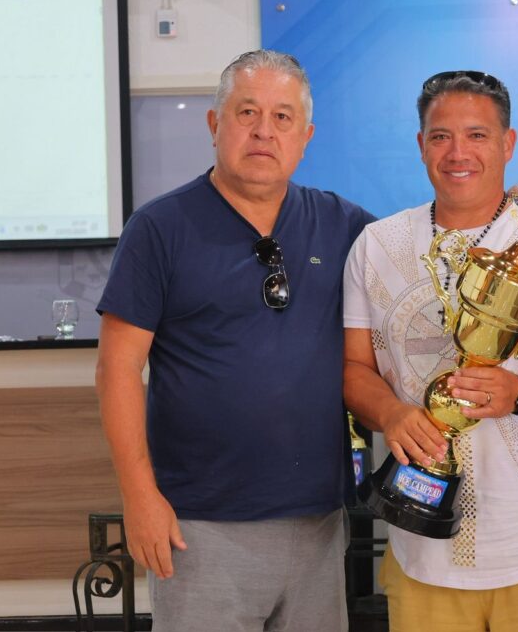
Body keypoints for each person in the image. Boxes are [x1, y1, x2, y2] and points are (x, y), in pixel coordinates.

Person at [95, 50, 375, 632]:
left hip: (318, 523)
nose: (264, 131)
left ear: (306, 137)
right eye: (247, 112)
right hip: (199, 525)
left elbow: (427, 251)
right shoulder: (159, 229)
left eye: (282, 117)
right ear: (214, 123)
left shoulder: (344, 226)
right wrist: (139, 496)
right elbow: (117, 370)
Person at [342, 70, 518, 631]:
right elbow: (354, 368)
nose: (458, 152)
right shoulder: (377, 245)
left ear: (508, 143)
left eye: (477, 135)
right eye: (441, 136)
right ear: (421, 145)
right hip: (420, 553)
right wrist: (390, 413)